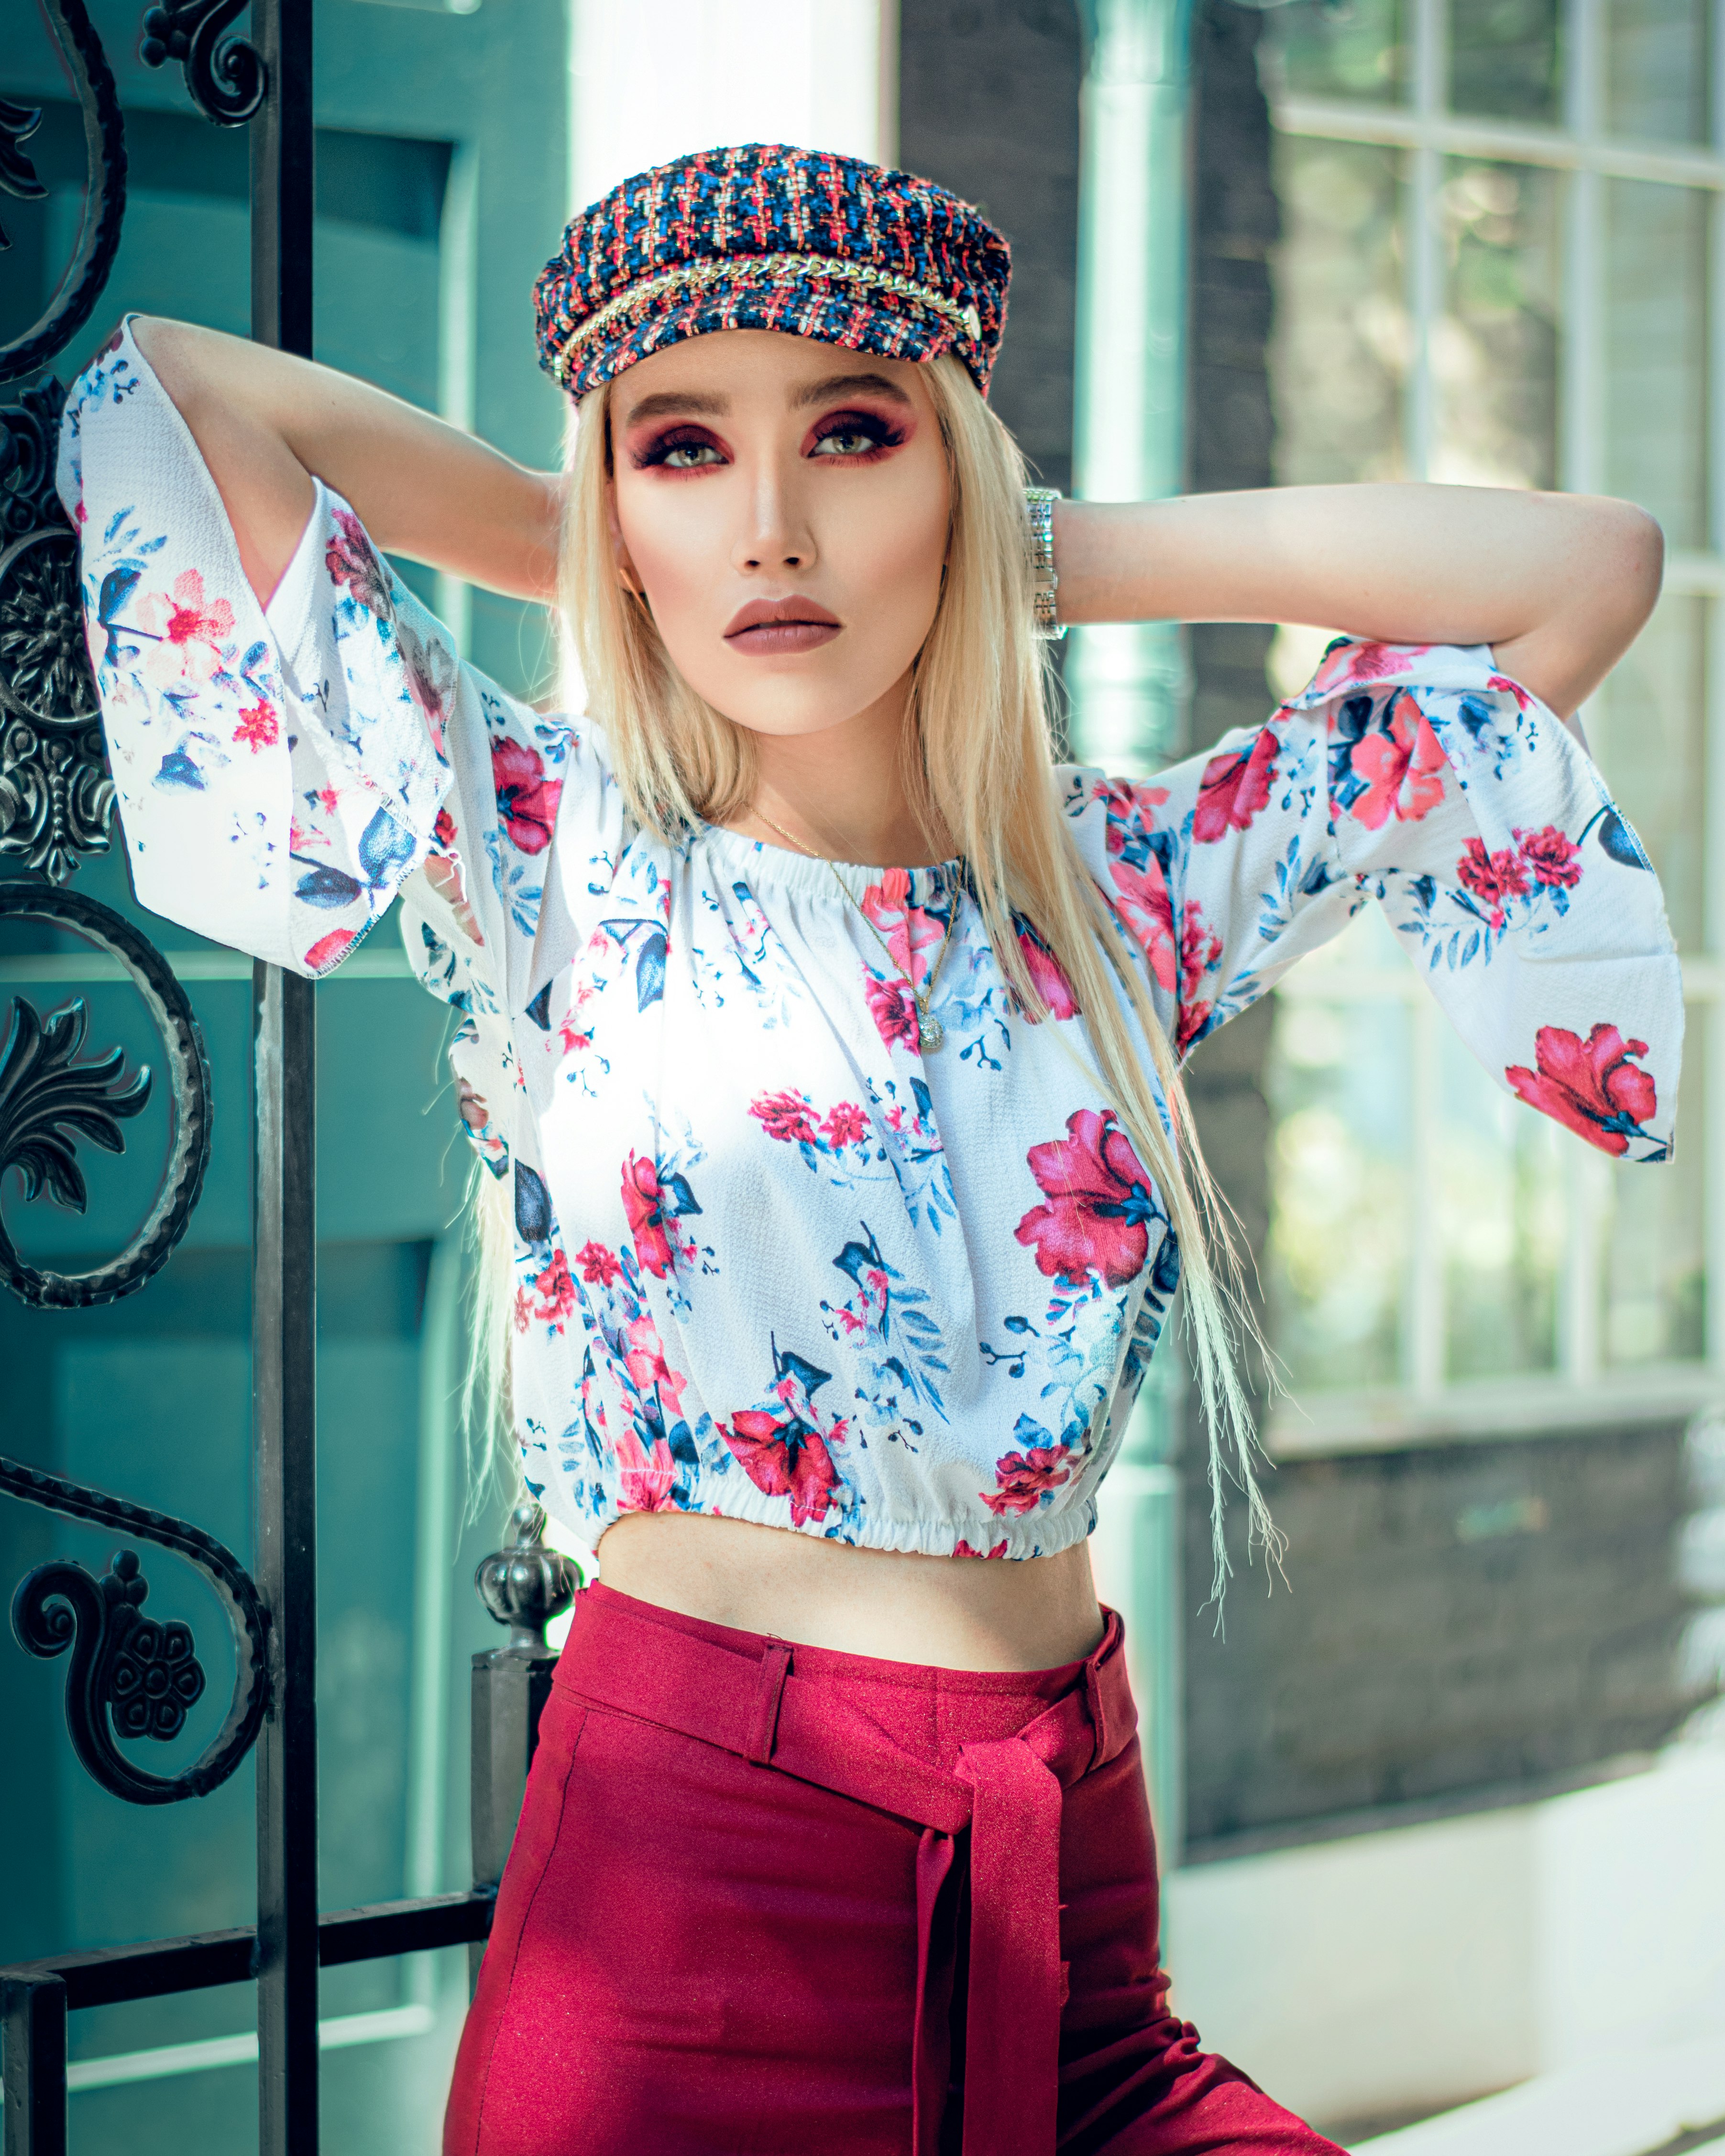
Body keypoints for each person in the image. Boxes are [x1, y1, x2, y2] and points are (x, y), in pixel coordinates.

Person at [60, 142, 1680, 2156]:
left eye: (848, 435)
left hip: (1069, 1920)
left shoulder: (1122, 889)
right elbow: (181, 388)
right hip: (687, 1935)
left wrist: (1034, 546)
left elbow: (1577, 571)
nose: (767, 532)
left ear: (956, 475)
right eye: (680, 450)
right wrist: (571, 533)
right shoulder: (545, 848)